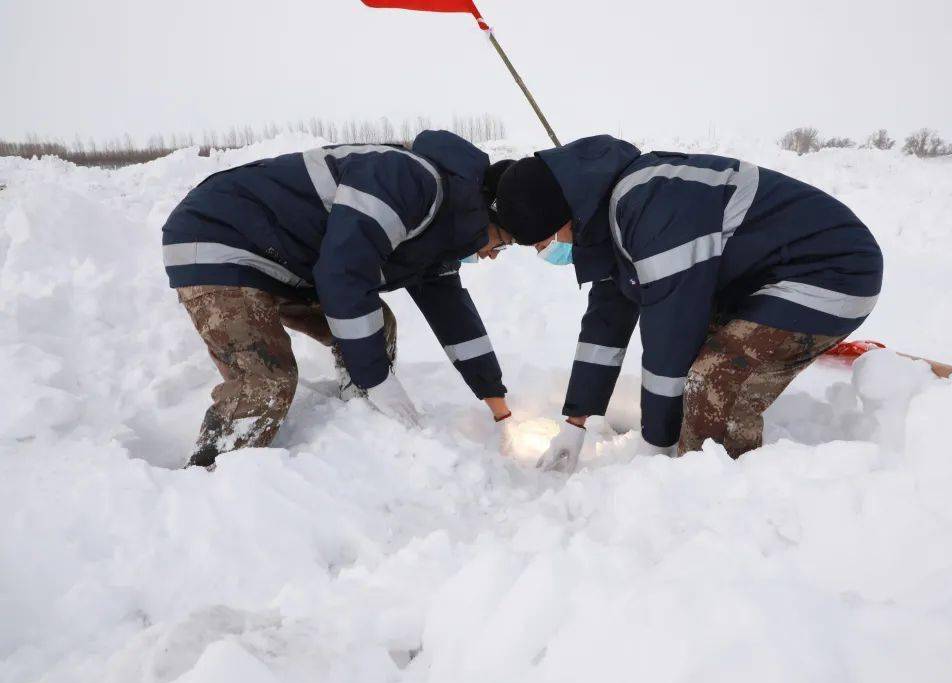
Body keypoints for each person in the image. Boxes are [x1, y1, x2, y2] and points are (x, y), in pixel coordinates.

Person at [493, 136, 883, 472]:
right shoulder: (612, 218)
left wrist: (656, 449)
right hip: (769, 278)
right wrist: (574, 423)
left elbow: (670, 339)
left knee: (714, 380)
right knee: (697, 369)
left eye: (543, 242)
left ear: (564, 218)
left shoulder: (653, 211)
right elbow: (605, 325)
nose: (546, 252)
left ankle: (721, 496)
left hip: (831, 274)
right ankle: (698, 465)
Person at [163, 130, 513, 467]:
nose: (494, 254)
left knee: (377, 325)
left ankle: (359, 415)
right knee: (266, 383)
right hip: (218, 240)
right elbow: (343, 275)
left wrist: (499, 407)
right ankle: (209, 474)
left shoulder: (442, 230)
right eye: (502, 242)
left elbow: (454, 318)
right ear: (487, 216)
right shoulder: (406, 180)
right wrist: (378, 379)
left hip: (283, 262)